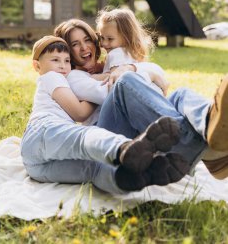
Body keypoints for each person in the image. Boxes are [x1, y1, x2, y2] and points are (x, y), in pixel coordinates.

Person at [54, 15, 228, 181]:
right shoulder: (74, 77)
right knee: (126, 82)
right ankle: (196, 147)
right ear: (68, 51)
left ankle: (210, 123)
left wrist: (132, 68)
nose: (84, 47)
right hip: (108, 134)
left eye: (87, 40)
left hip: (135, 130)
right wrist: (141, 73)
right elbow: (118, 90)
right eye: (75, 44)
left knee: (180, 95)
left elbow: (159, 74)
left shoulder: (109, 65)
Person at [21, 35, 188, 195]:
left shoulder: (63, 77)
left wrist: (96, 79)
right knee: (83, 138)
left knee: (94, 169)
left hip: (37, 167)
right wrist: (95, 94)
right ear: (37, 66)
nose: (63, 66)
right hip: (43, 130)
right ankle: (125, 148)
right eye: (55, 60)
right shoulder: (51, 77)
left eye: (66, 61)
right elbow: (80, 113)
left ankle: (137, 177)